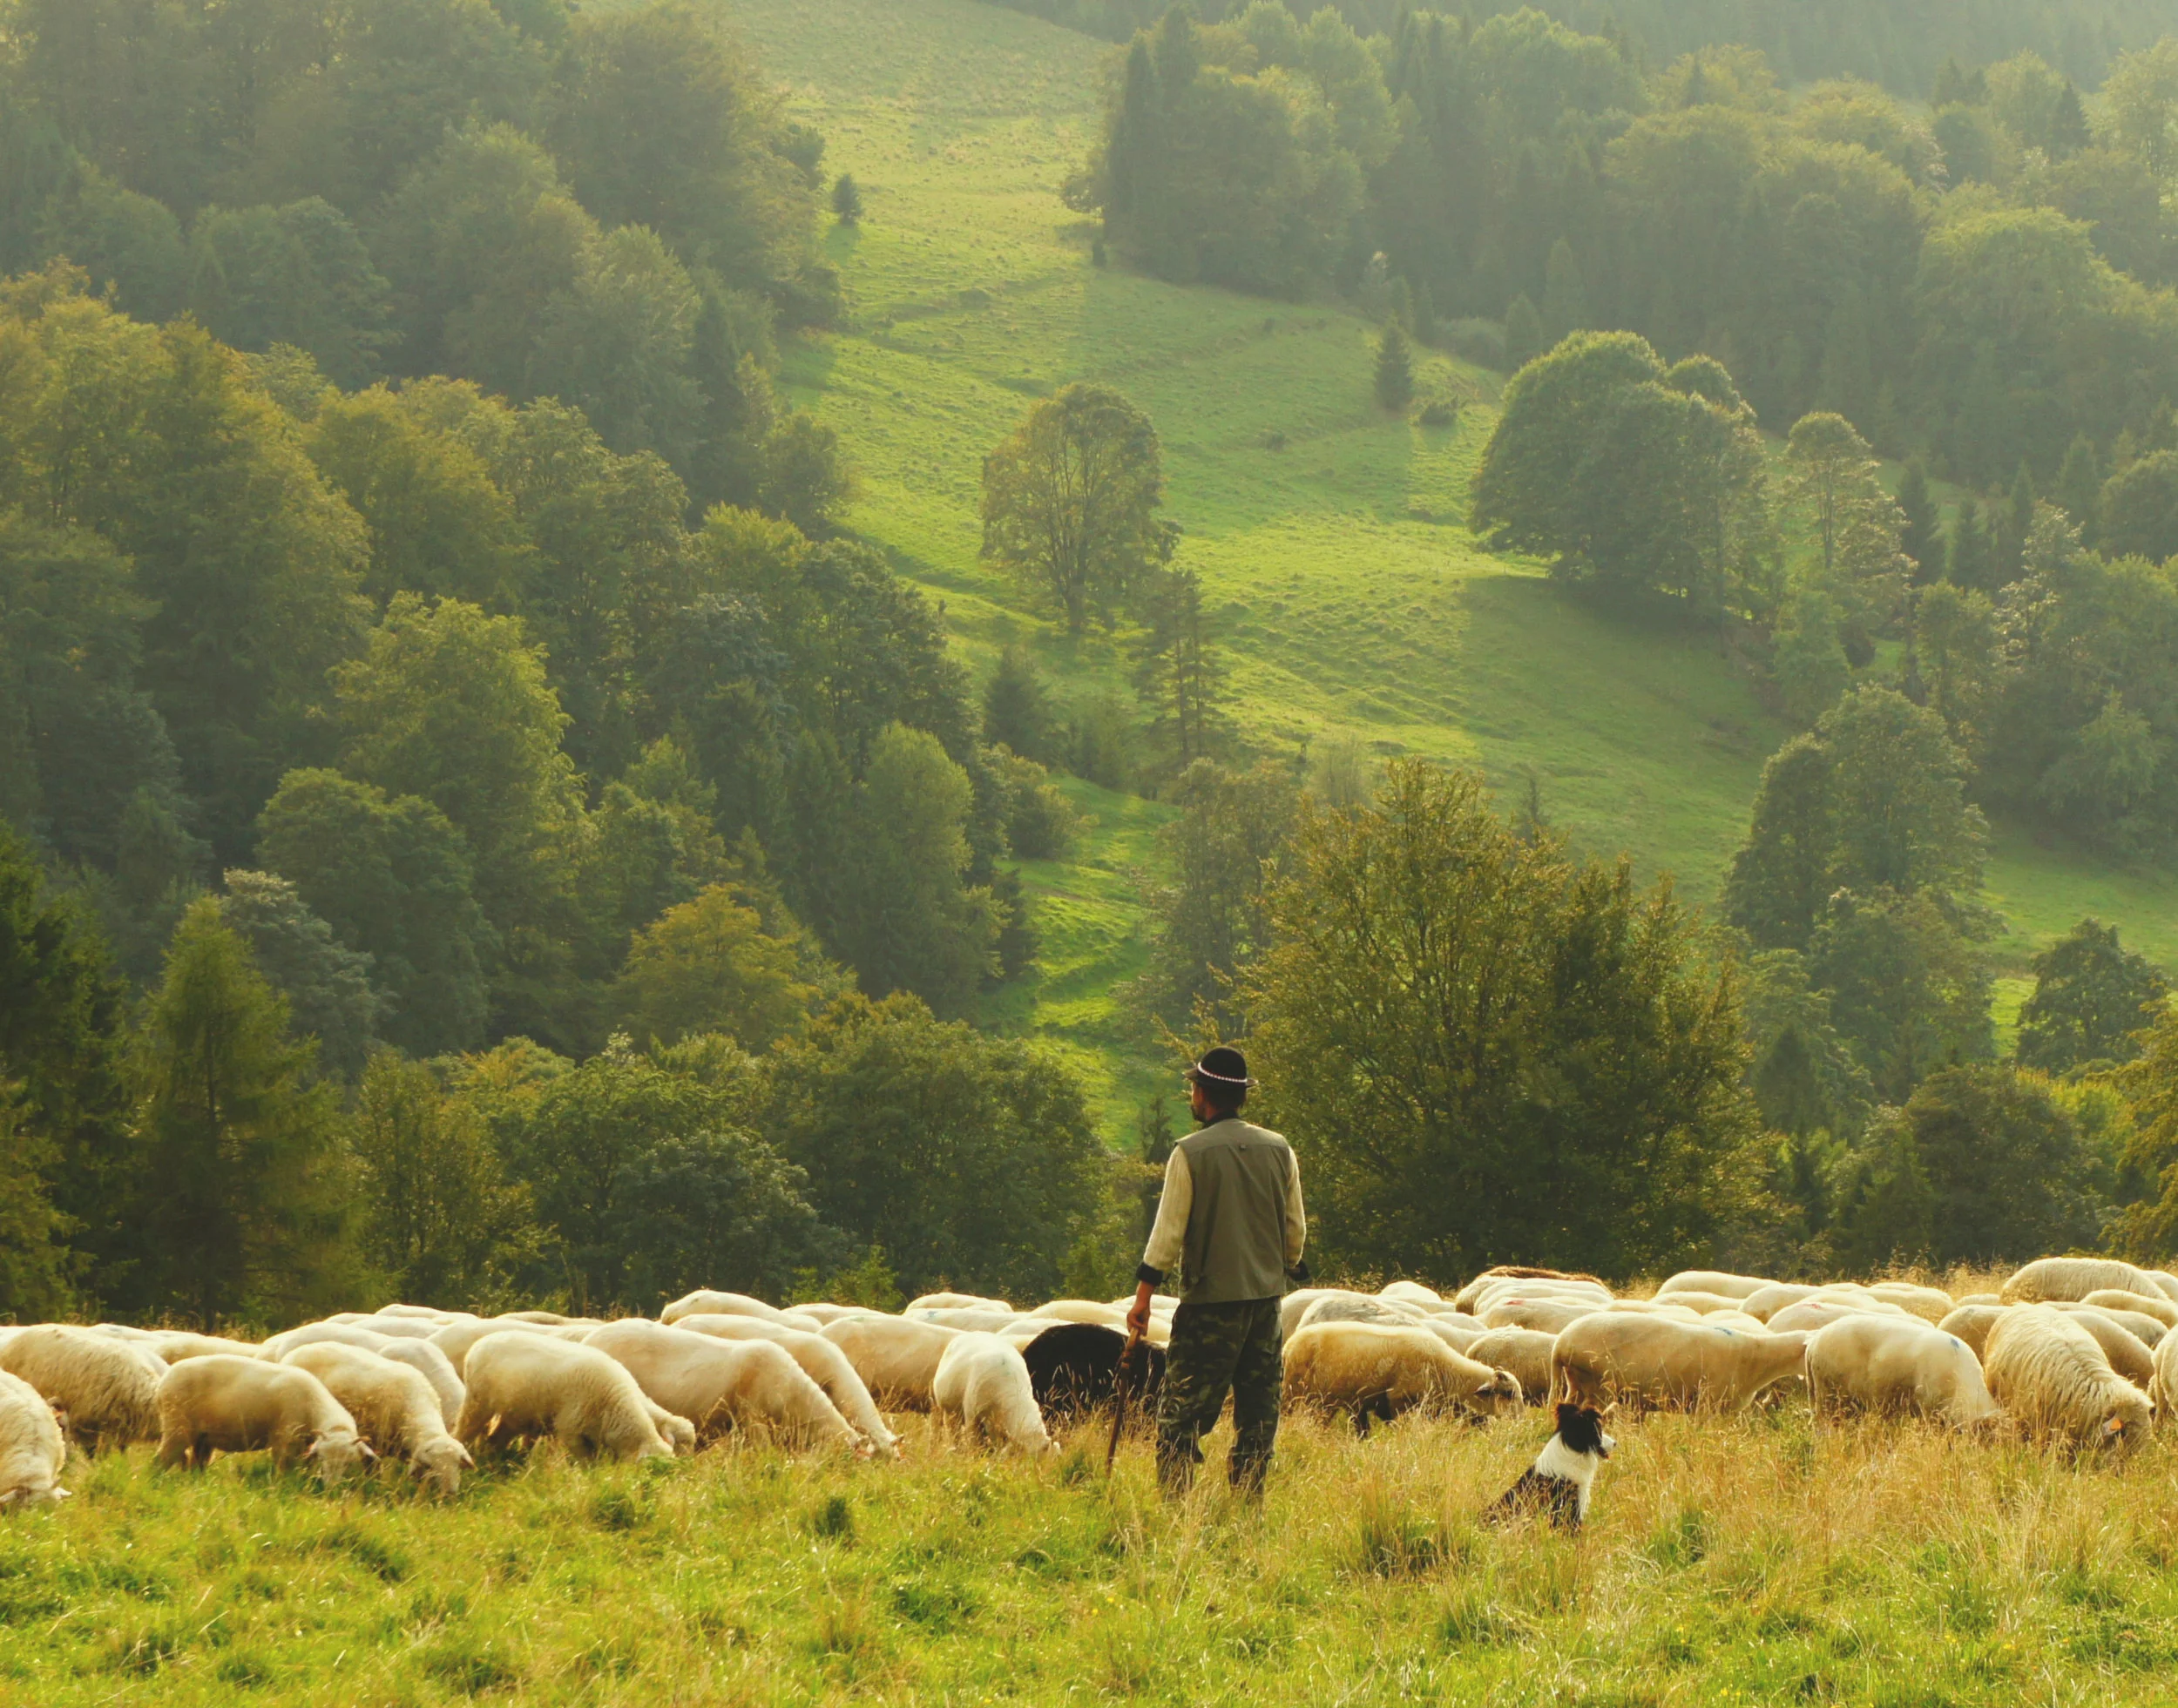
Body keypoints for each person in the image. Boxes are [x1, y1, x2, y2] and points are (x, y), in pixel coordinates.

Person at [1126, 1044, 1308, 1497]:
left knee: (1182, 1414)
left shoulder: (1189, 1153)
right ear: (1240, 1095)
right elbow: (1294, 1230)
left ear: (1203, 1094)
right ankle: (1248, 1505)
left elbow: (1167, 1235)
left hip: (1209, 1306)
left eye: (1193, 1087)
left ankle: (1176, 1507)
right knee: (1258, 1414)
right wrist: (1284, 1267)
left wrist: (1144, 1297)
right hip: (1266, 1304)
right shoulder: (1279, 1149)